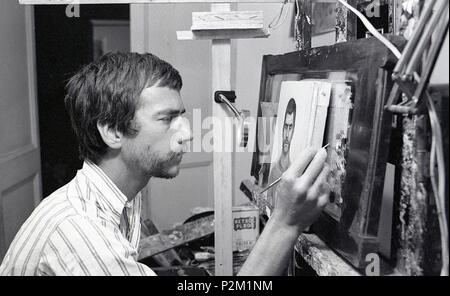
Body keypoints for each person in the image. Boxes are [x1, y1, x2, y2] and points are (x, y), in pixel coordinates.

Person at [0, 53, 330, 276]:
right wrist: (286, 222)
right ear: (113, 131)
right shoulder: (81, 236)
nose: (187, 133)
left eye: (182, 116)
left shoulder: (118, 198)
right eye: (167, 119)